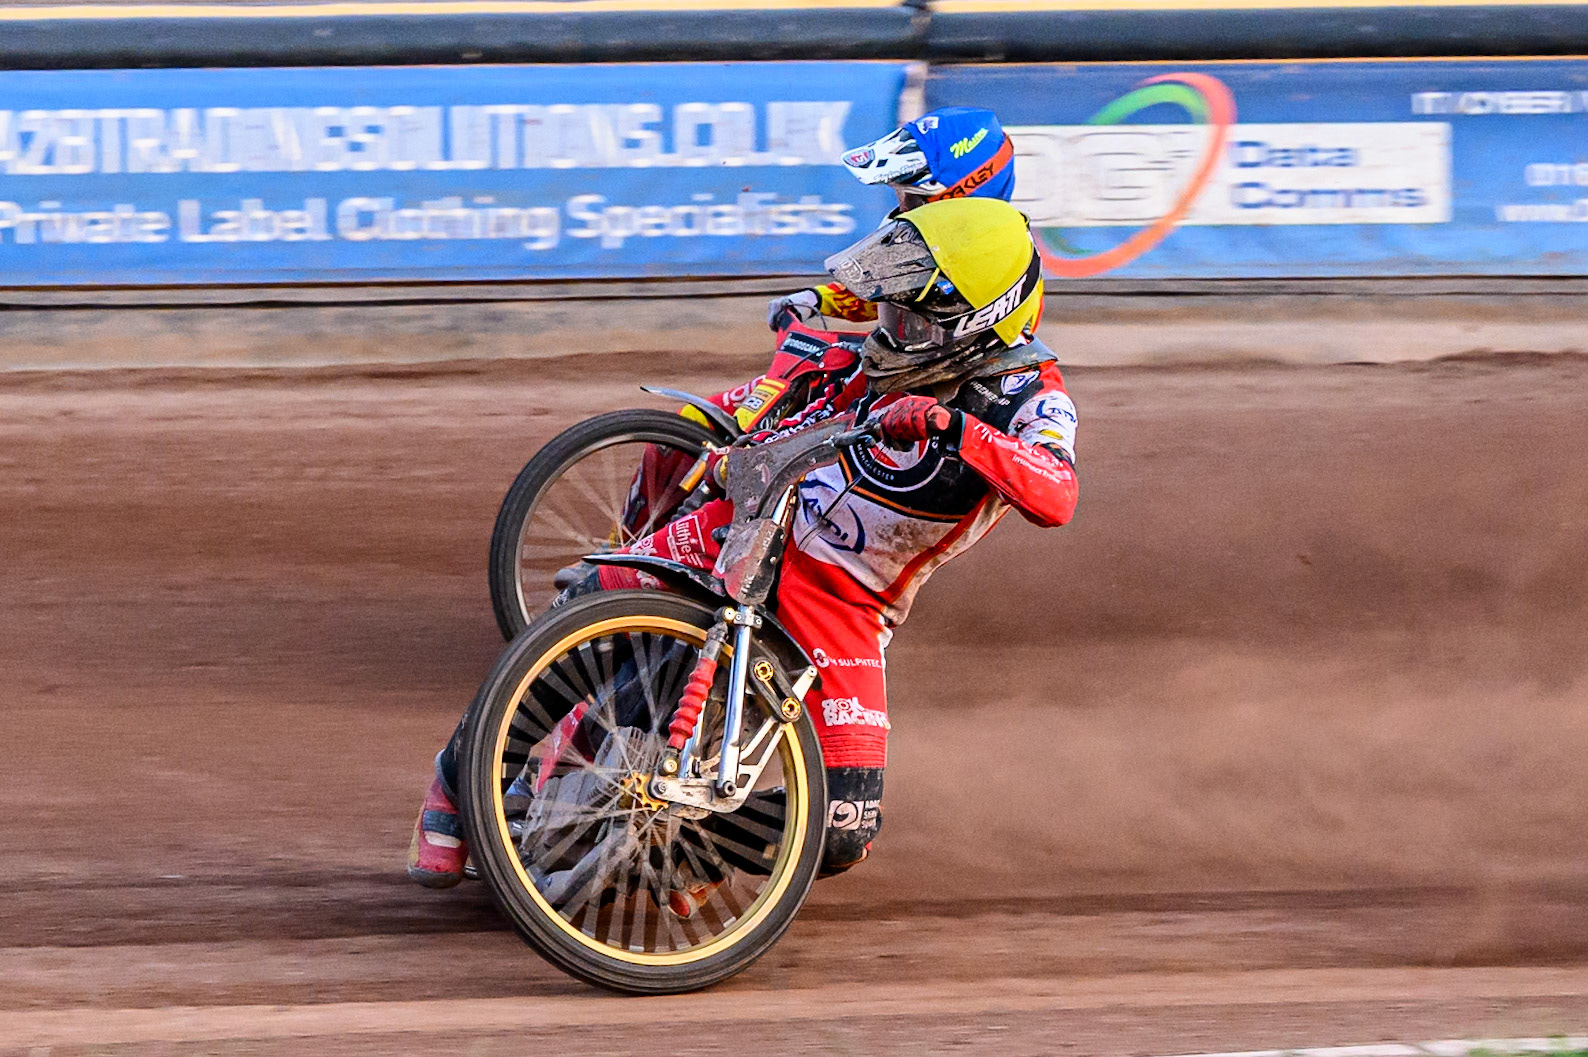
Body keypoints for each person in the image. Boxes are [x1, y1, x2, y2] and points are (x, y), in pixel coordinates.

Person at [408, 196, 1079, 889]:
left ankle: (682, 854)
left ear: (972, 325)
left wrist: (956, 428)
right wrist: (744, 445)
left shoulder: (1036, 400)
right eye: (890, 312)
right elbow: (800, 398)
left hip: (847, 602)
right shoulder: (880, 357)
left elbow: (1057, 493)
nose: (888, 329)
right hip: (751, 528)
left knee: (842, 830)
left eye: (909, 319)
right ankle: (456, 784)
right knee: (586, 610)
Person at [766, 106, 1017, 332]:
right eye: (900, 192)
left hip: (977, 364)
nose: (903, 204)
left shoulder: (1001, 251)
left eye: (911, 194)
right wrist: (816, 299)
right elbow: (884, 292)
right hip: (911, 357)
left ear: (956, 194)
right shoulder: (930, 247)